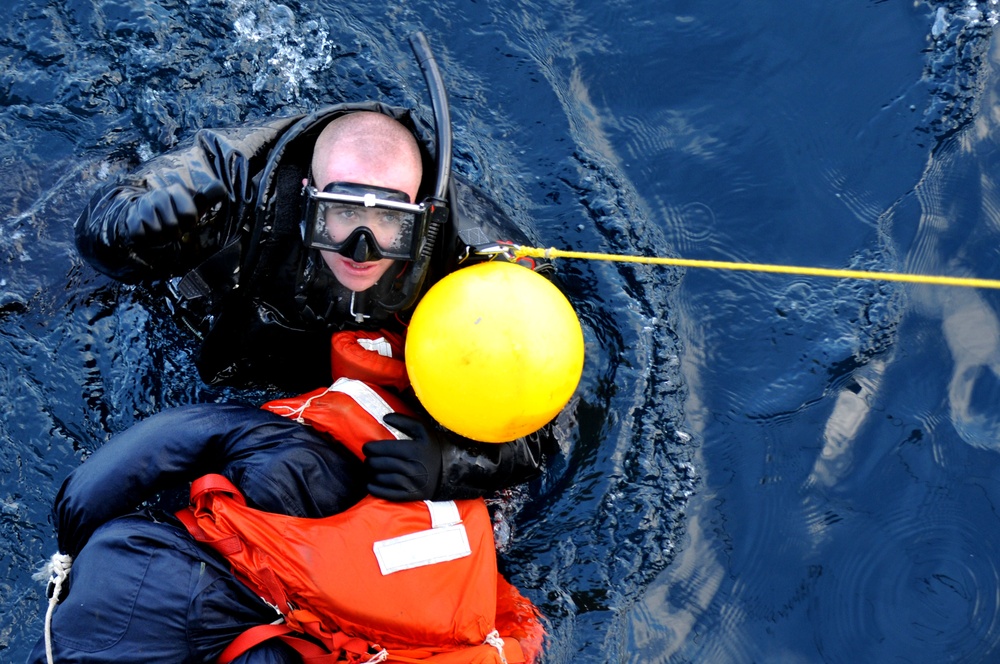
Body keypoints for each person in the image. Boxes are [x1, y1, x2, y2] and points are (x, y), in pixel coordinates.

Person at [75, 37, 550, 503]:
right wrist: (133, 232)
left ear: (422, 215)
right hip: (207, 336)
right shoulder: (234, 176)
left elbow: (542, 407)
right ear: (308, 194)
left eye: (390, 221)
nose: (361, 250)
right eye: (343, 213)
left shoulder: (471, 252)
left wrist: (452, 465)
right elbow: (101, 226)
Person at [29, 333, 544, 664]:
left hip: (153, 578)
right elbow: (519, 639)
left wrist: (71, 539)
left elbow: (169, 441)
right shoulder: (480, 577)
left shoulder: (301, 442)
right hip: (279, 641)